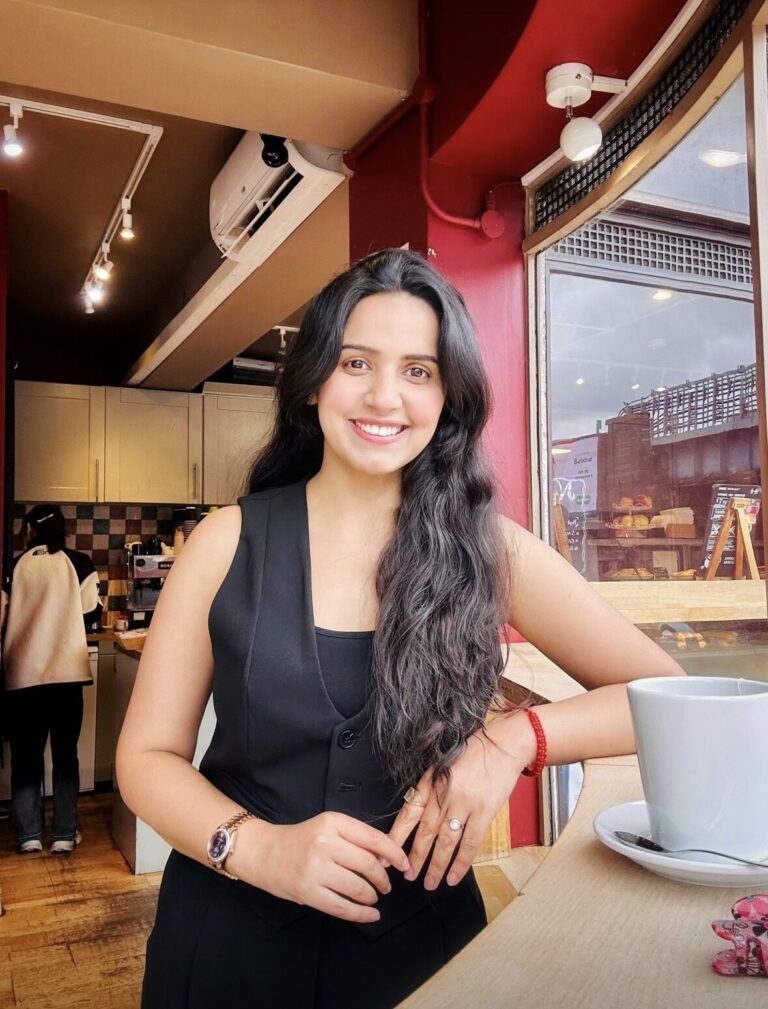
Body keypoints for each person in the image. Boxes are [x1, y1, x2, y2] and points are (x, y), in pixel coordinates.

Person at [117, 249, 682, 1009]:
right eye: (357, 361)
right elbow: (146, 757)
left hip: (421, 955)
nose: (386, 396)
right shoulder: (226, 540)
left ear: (447, 395)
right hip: (224, 946)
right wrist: (258, 848)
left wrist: (510, 741)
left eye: (419, 370)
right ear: (315, 376)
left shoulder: (494, 551)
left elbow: (668, 696)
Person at [3, 504, 101, 854]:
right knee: (64, 754)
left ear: (29, 528)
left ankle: (29, 835)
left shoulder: (14, 565)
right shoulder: (79, 562)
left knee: (26, 757)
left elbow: (2, 616)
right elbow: (91, 610)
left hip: (23, 677)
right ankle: (63, 834)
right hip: (66, 675)